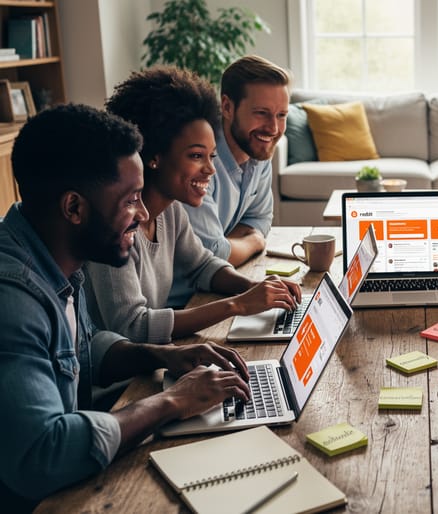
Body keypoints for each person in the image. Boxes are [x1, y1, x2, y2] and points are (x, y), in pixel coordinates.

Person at [0, 104, 252, 509]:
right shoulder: (12, 299)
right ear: (74, 208)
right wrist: (173, 401)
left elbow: (85, 348)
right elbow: (42, 454)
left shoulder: (57, 254)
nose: (144, 213)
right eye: (132, 199)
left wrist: (166, 355)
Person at [84, 67, 300, 344]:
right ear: (154, 156)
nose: (210, 169)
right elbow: (133, 327)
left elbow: (202, 265)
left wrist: (256, 289)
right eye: (197, 155)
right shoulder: (114, 224)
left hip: (154, 357)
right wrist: (237, 305)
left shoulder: (170, 210)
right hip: (120, 382)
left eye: (211, 155)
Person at [172, 56, 291, 306]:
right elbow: (211, 252)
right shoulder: (200, 161)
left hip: (217, 288)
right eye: (262, 113)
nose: (273, 128)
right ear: (227, 107)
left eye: (281, 115)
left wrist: (228, 245)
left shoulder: (259, 151)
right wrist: (253, 242)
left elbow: (260, 220)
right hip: (182, 302)